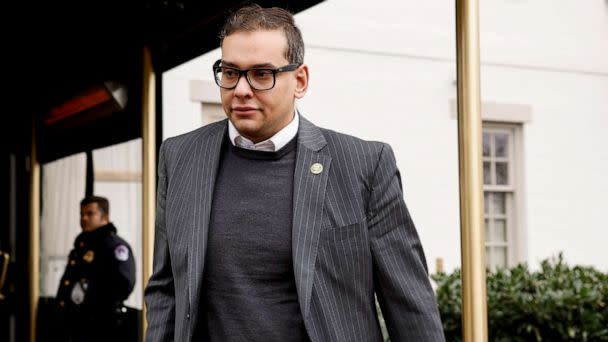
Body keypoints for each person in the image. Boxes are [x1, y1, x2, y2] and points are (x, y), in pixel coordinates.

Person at [145, 4, 444, 341]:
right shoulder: (181, 156)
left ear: (299, 81)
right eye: (230, 72)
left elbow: (410, 305)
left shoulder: (363, 165)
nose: (241, 89)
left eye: (261, 74)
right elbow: (165, 290)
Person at [56, 195, 136, 342]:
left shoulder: (115, 246)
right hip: (76, 325)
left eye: (90, 214)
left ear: (104, 217)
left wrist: (95, 305)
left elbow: (124, 284)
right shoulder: (82, 246)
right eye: (81, 214)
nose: (84, 218)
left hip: (101, 326)